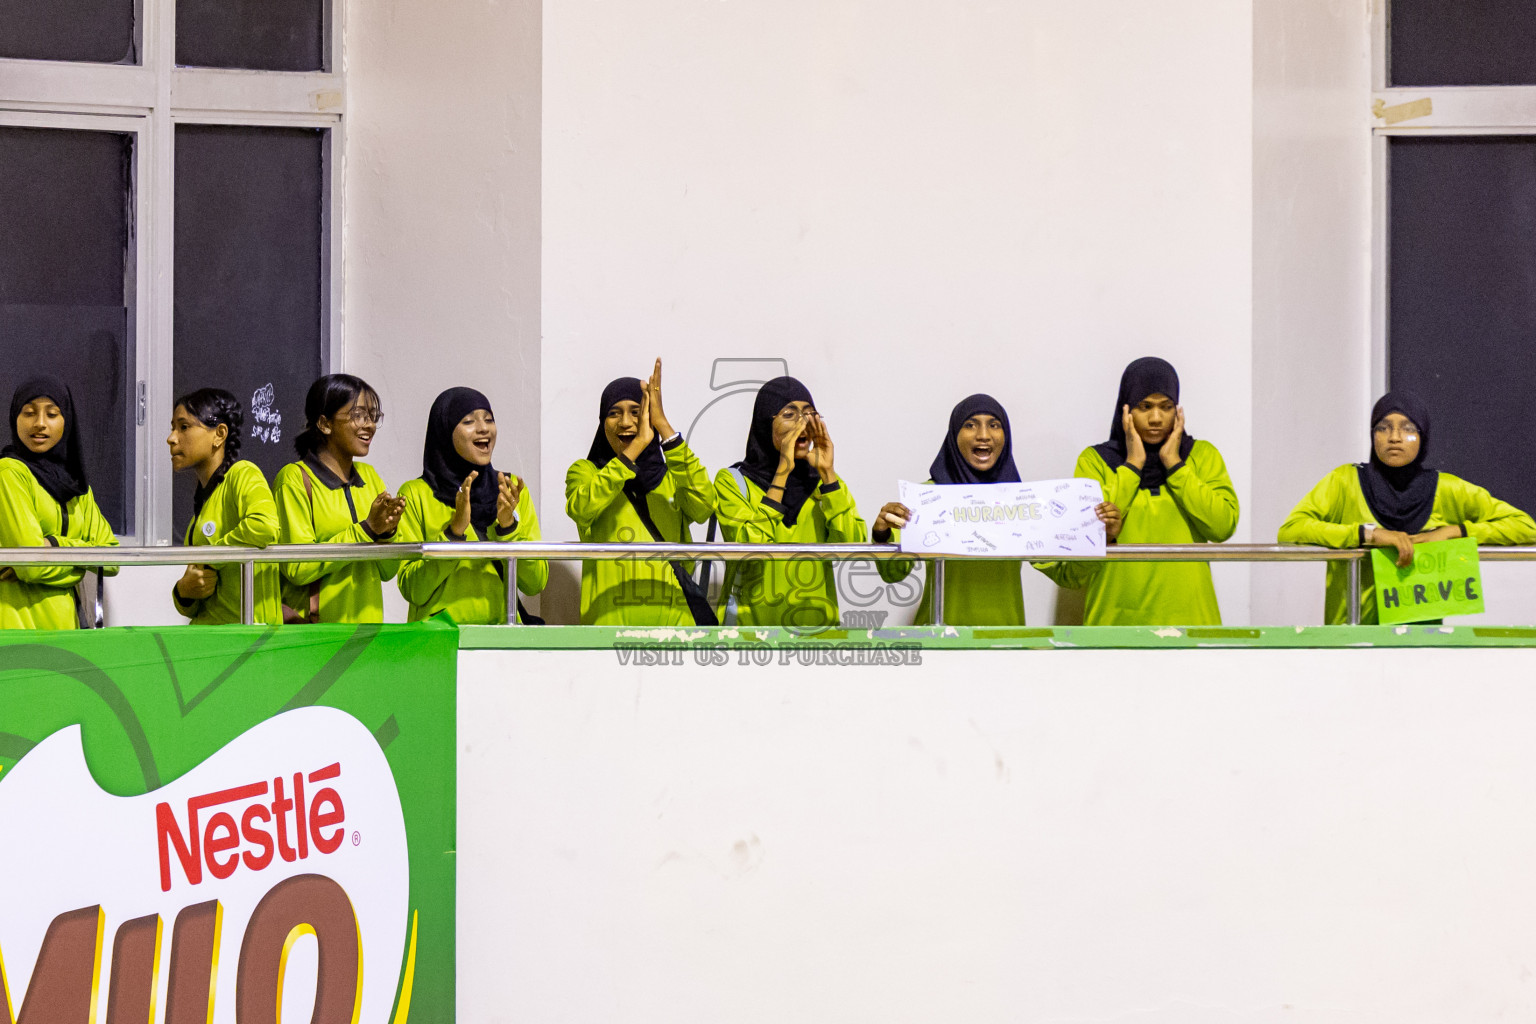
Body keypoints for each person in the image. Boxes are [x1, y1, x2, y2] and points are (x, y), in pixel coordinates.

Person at [1279, 391, 1536, 624]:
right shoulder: (1344, 481)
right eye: (1383, 428)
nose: (1394, 438)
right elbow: (1291, 531)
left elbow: (1526, 527)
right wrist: (1368, 534)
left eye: (1408, 429)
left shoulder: (1446, 488)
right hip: (1352, 636)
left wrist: (1453, 532)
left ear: (1422, 437)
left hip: (1422, 642)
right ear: (1372, 436)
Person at [871, 393, 1123, 625]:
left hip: (1005, 643)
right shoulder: (929, 497)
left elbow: (1068, 575)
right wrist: (882, 533)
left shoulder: (1022, 501)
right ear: (953, 435)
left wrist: (1105, 536)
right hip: (939, 640)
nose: (983, 435)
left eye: (994, 424)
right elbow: (893, 573)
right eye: (970, 425)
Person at [1043, 356, 1238, 625]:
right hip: (1114, 623)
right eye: (1144, 406)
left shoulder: (1201, 456)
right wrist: (1133, 464)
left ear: (1177, 411)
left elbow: (1222, 527)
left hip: (1192, 623)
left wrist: (1175, 465)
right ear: (1126, 409)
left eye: (1166, 407)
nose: (1156, 418)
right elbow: (1086, 533)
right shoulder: (1095, 461)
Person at [566, 361, 717, 625]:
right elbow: (581, 508)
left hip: (675, 626)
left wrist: (664, 428)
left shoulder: (672, 476)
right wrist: (634, 449)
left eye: (636, 412)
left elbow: (704, 506)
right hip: (607, 626)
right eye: (614, 413)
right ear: (602, 422)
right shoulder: (585, 472)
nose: (625, 422)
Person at [713, 376, 867, 629]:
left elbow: (853, 548)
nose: (802, 424)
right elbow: (751, 548)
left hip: (817, 633)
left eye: (809, 414)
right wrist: (783, 472)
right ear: (765, 423)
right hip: (749, 635)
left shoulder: (826, 484)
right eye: (789, 414)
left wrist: (828, 474)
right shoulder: (733, 482)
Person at [395, 387, 548, 623]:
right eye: (468, 421)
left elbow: (535, 583)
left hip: (502, 641)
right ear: (445, 432)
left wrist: (508, 529)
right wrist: (453, 533)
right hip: (441, 643)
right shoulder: (416, 494)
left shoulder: (511, 489)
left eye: (489, 419)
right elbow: (413, 589)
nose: (483, 428)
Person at [273, 374, 405, 623]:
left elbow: (387, 572)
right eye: (357, 415)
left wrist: (387, 533)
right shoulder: (294, 478)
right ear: (324, 423)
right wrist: (366, 530)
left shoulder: (369, 476)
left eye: (372, 416)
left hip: (367, 634)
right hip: (315, 637)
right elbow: (297, 569)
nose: (369, 425)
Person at [0, 376, 119, 629]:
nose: (40, 424)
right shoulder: (10, 472)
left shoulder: (77, 487)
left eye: (52, 414)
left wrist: (54, 545)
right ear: (15, 418)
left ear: (67, 420)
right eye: (29, 413)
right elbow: (30, 566)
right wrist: (82, 561)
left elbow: (112, 559)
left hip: (67, 628)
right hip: (17, 627)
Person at [168, 388, 283, 625]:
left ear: (219, 434)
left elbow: (264, 526)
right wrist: (183, 592)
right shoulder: (199, 513)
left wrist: (211, 558)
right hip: (211, 642)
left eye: (184, 427)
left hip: (248, 644)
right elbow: (199, 595)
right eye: (173, 428)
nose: (171, 438)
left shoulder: (242, 474)